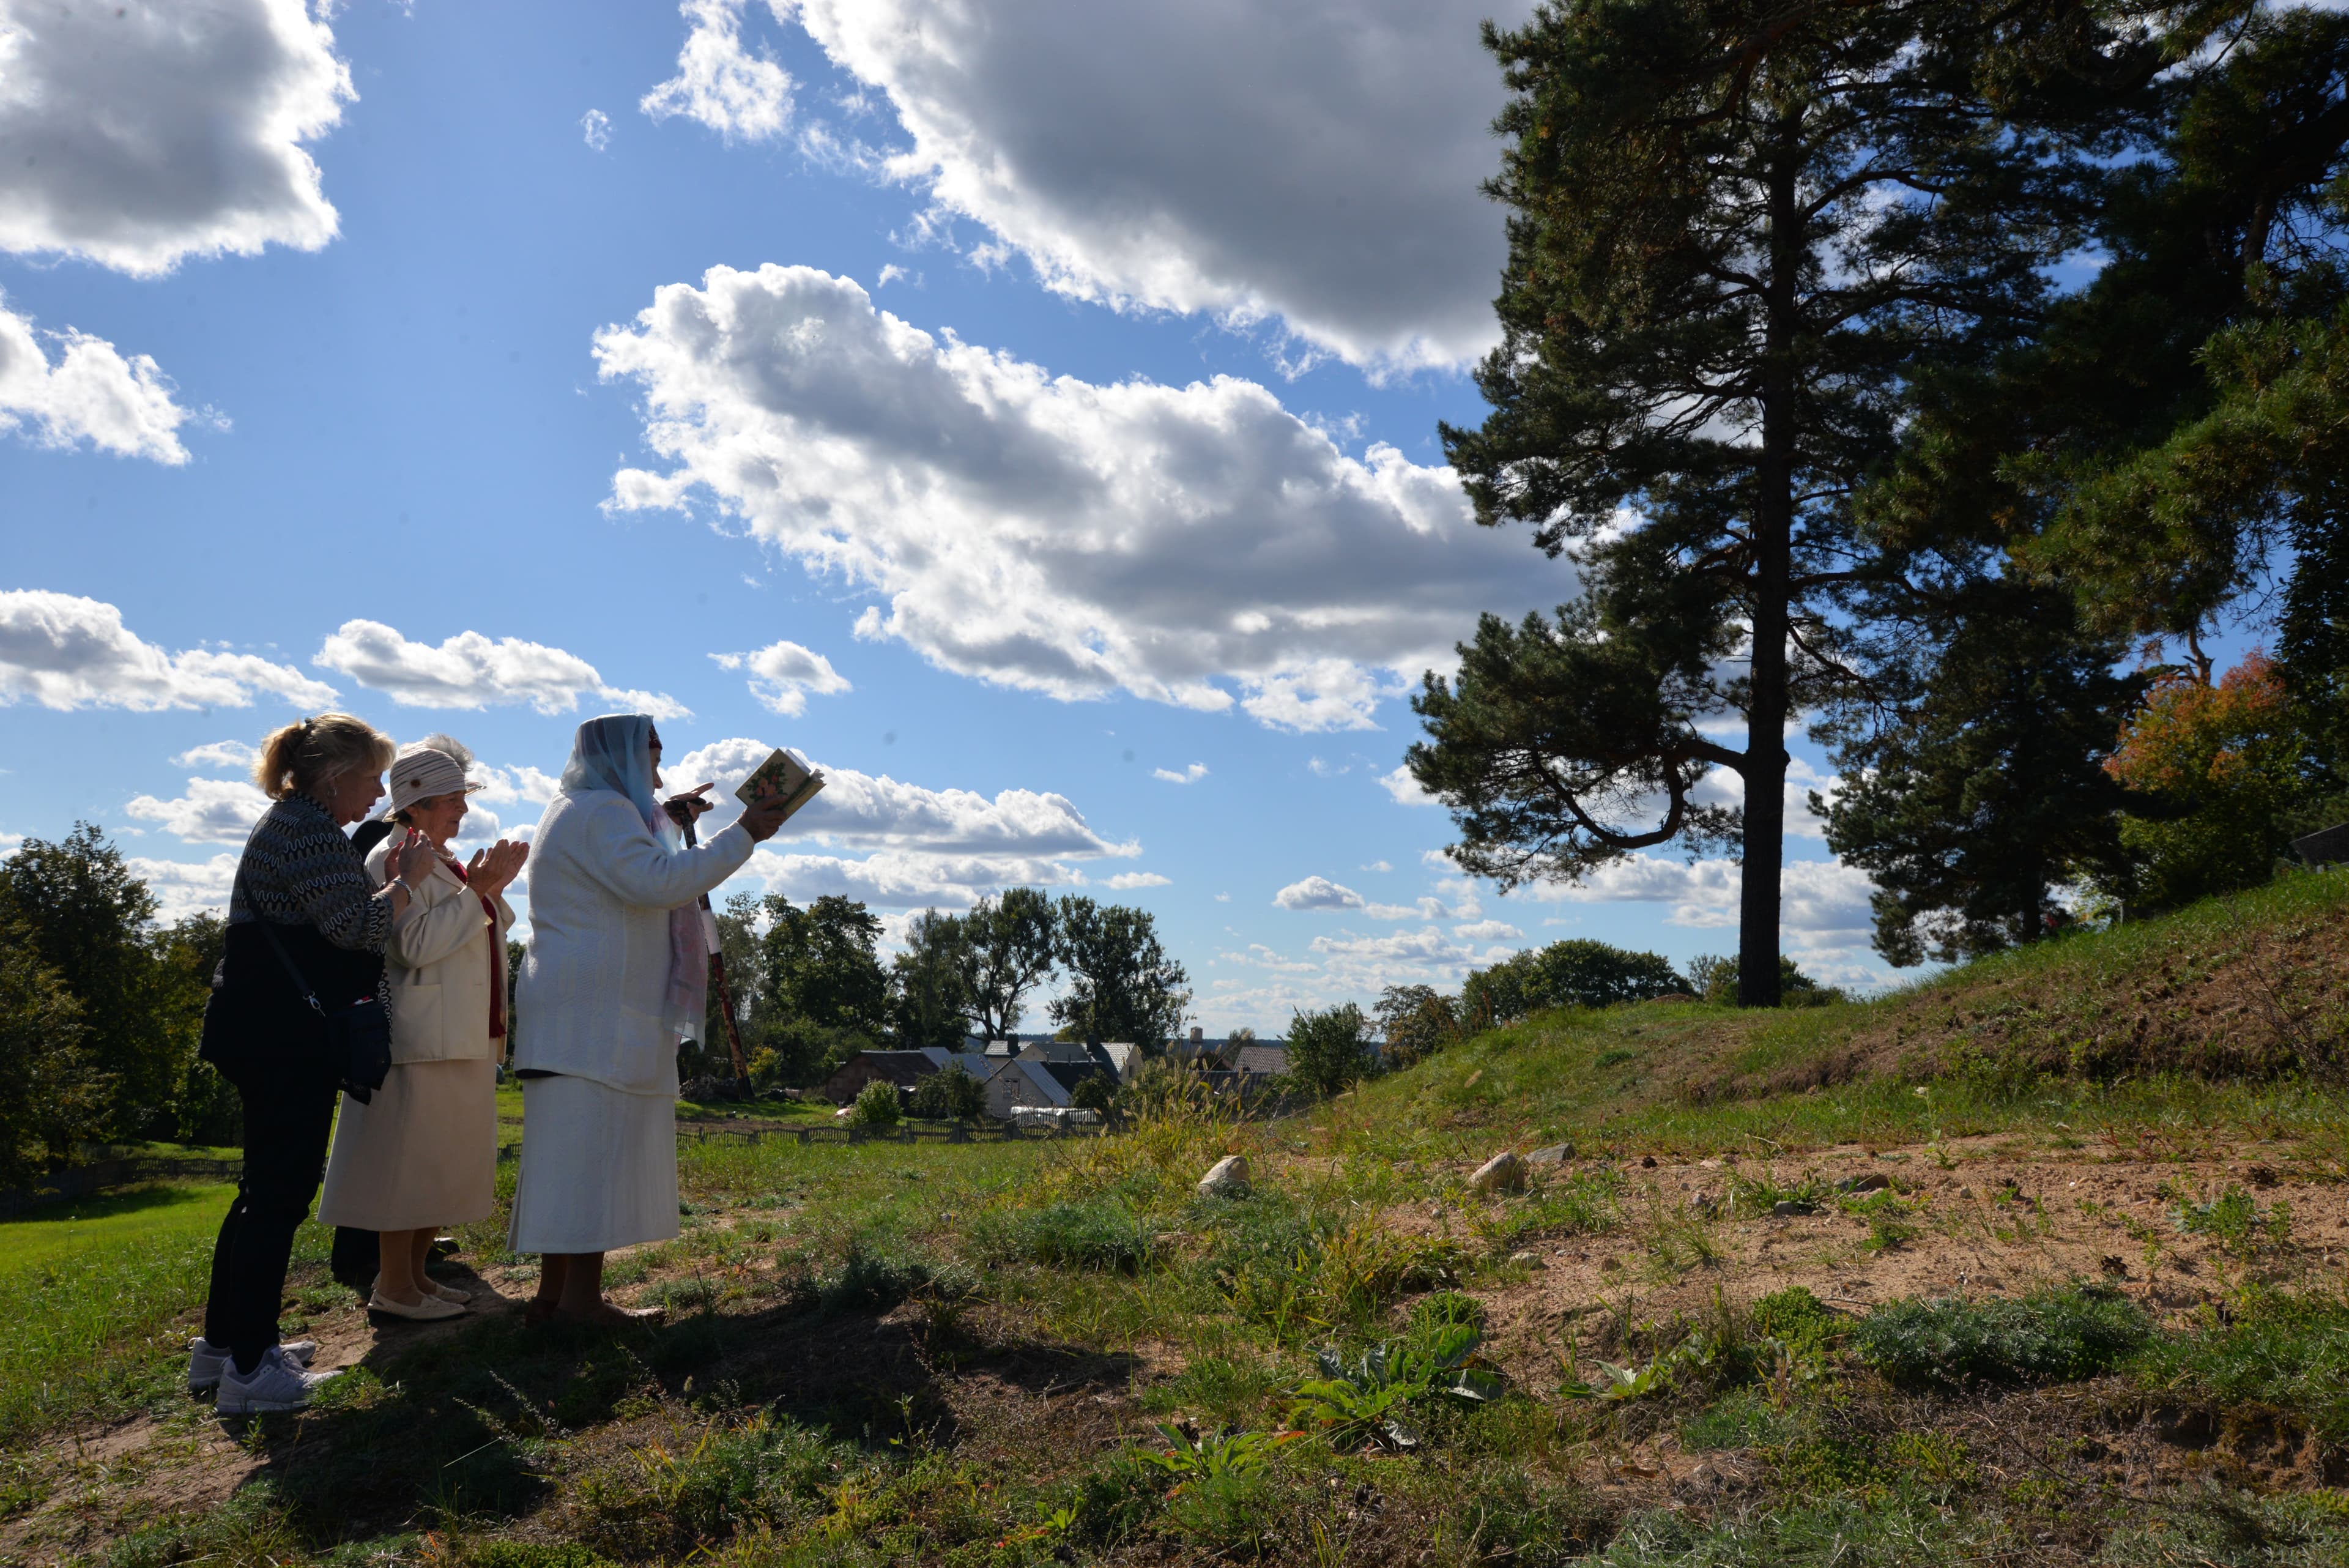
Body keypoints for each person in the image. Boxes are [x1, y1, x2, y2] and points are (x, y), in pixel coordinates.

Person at [508, 714, 795, 1325]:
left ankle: (553, 1299)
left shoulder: (577, 806)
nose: (659, 771)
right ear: (619, 761)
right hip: (595, 1016)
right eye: (651, 760)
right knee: (593, 1156)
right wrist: (745, 832)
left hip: (571, 1012)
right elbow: (658, 880)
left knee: (569, 1157)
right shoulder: (604, 811)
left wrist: (671, 816)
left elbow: (632, 858)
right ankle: (582, 1306)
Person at [191, 713, 437, 1414]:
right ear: (334, 778)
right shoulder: (306, 830)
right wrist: (408, 882)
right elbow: (357, 927)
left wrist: (384, 882)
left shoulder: (293, 825)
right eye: (370, 782)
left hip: (260, 1030)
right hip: (282, 1038)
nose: (378, 799)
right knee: (278, 1196)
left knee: (258, 1191)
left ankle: (227, 1345)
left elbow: (331, 912)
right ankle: (250, 1370)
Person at [317, 736, 527, 1321]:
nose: (462, 809)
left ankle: (412, 1277)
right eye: (450, 799)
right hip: (423, 1035)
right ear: (414, 803)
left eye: (461, 797)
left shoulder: (436, 855)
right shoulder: (394, 858)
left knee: (442, 1162)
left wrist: (492, 890)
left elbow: (475, 924)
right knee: (410, 1165)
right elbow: (412, 945)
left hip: (459, 1031)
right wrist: (479, 891)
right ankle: (395, 1287)